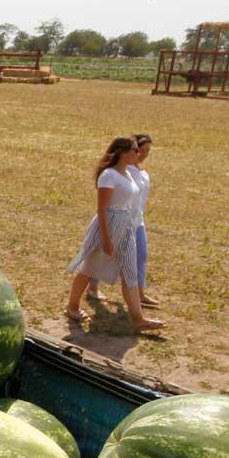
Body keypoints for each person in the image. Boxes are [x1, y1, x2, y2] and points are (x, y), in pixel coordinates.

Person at [65, 136, 165, 332]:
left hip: (126, 226)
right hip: (110, 225)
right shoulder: (109, 175)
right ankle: (72, 307)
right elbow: (102, 209)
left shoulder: (128, 173)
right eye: (135, 150)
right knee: (89, 269)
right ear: (122, 153)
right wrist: (106, 239)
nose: (140, 154)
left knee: (130, 271)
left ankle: (138, 319)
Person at [87, 134, 156, 306]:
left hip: (136, 220)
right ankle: (91, 288)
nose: (143, 154)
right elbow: (105, 203)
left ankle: (139, 295)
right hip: (120, 221)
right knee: (101, 256)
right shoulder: (121, 172)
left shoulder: (141, 173)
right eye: (139, 150)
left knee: (140, 256)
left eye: (147, 151)